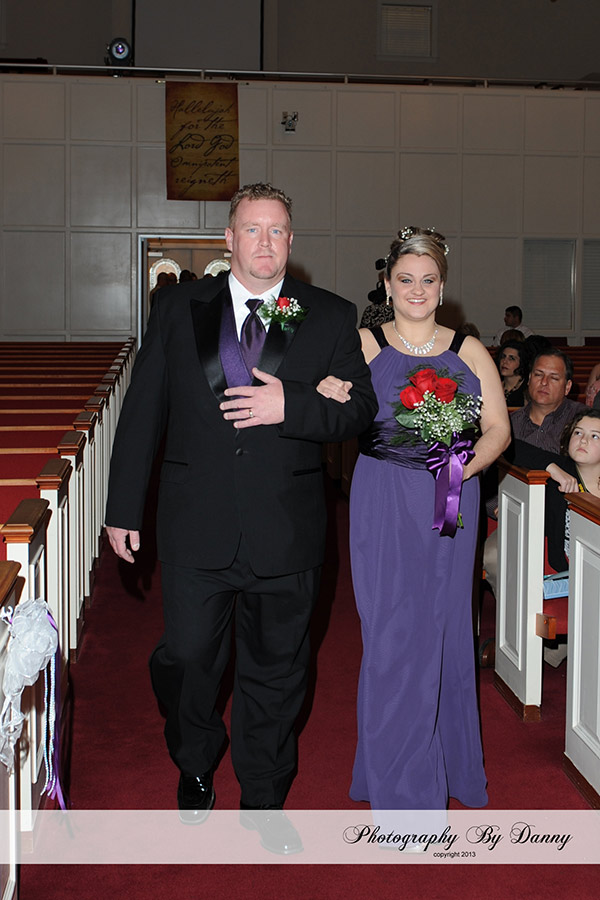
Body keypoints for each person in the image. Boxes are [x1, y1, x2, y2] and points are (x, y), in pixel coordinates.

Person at [104, 182, 377, 853]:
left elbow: (360, 410)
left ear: (292, 240)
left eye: (277, 230)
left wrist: (296, 406)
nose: (265, 242)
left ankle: (263, 796)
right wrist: (122, 506)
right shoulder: (179, 307)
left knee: (278, 671)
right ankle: (195, 757)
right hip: (194, 522)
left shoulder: (326, 313)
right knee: (188, 656)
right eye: (252, 229)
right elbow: (144, 408)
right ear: (228, 240)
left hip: (287, 529)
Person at [321, 226, 510, 810]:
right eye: (406, 279)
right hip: (382, 498)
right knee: (391, 633)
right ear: (387, 284)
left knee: (446, 629)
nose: (418, 290)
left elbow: (499, 430)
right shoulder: (364, 344)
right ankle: (400, 785)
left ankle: (450, 766)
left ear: (443, 286)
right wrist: (326, 390)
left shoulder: (469, 350)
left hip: (450, 497)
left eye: (429, 280)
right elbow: (329, 403)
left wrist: (458, 468)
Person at [496, 339, 528, 407]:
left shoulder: (528, 389)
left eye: (511, 358)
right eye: (503, 357)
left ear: (521, 363)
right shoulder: (494, 385)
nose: (505, 361)